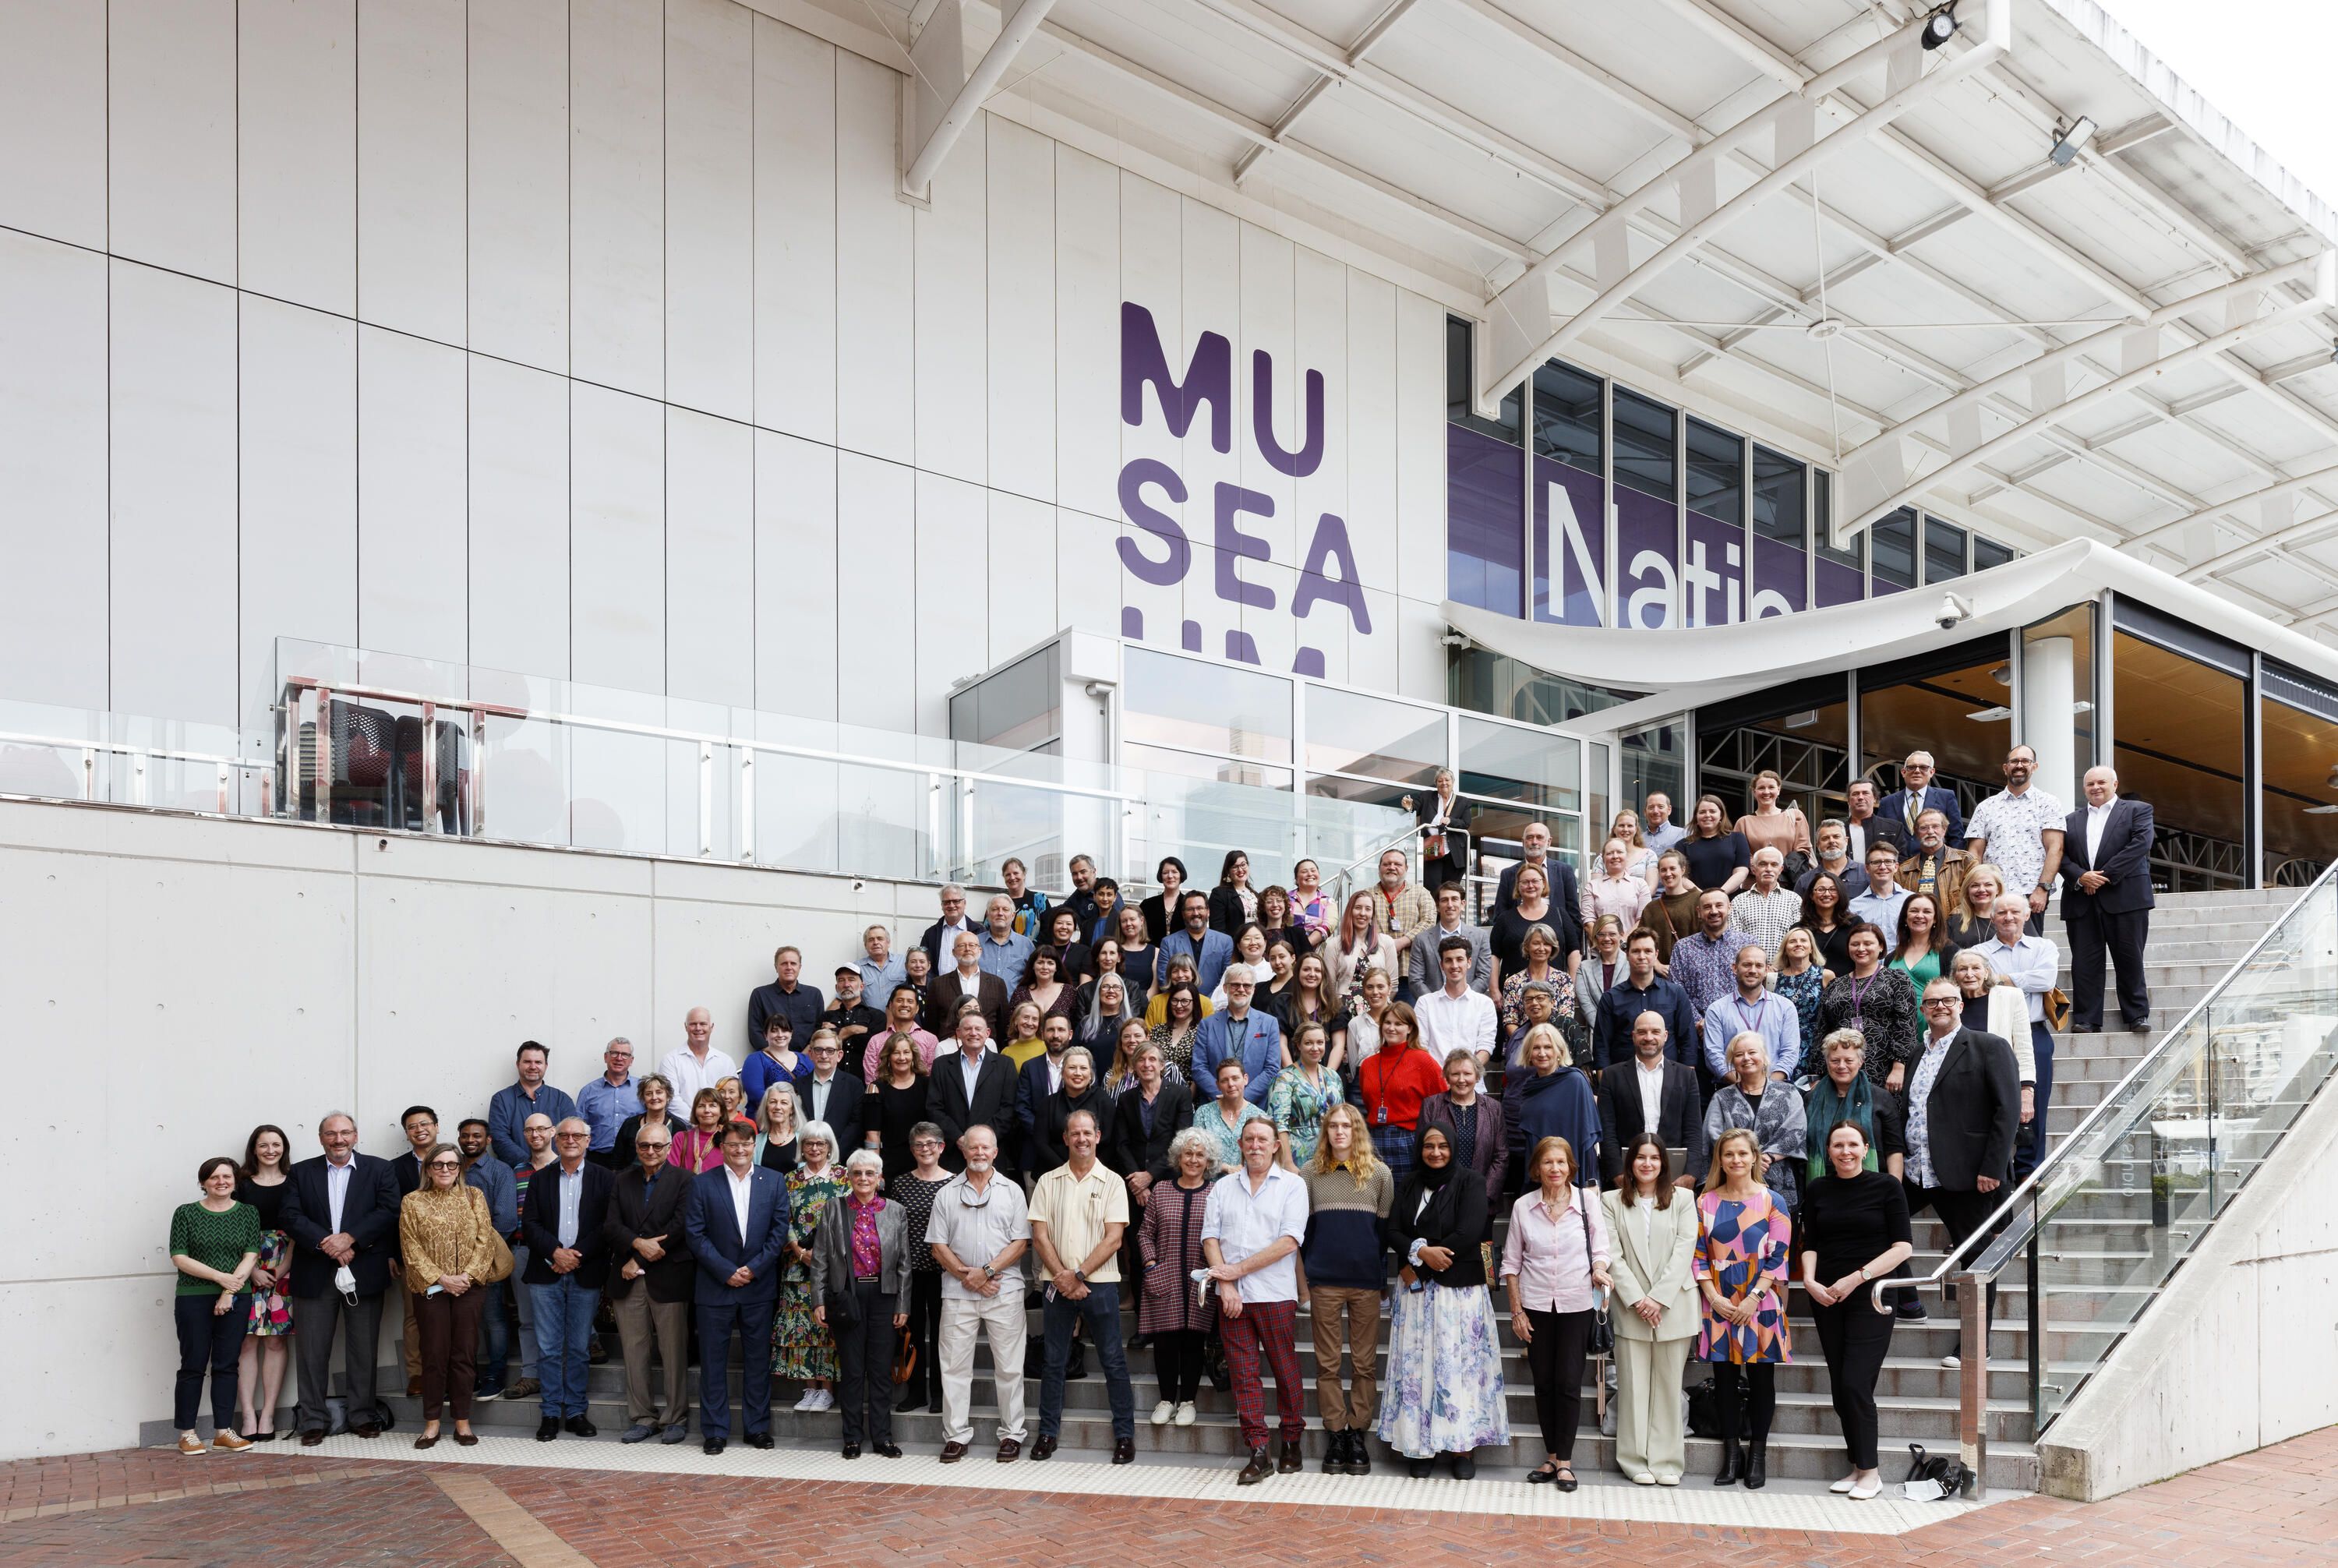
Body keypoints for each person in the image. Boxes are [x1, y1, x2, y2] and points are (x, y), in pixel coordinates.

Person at [1378, 1124, 1508, 1478]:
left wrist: (1427, 1260)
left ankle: (1462, 1448)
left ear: (1452, 1148)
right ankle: (1421, 1446)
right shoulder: (1409, 1183)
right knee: (1417, 1368)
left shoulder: (1471, 1181)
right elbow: (1392, 1230)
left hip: (1459, 1294)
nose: (1436, 1152)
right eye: (1429, 1146)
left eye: (1443, 1146)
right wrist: (1421, 1252)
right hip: (1417, 1297)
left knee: (1460, 1368)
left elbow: (1469, 1231)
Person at [1903, 978, 2021, 1368]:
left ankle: (1975, 1344)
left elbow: (2007, 1111)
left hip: (1968, 1174)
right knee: (1879, 1226)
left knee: (1975, 1256)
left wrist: (1993, 1169)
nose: (1940, 1006)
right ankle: (1905, 1300)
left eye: (1947, 1000)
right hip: (1917, 1171)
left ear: (1960, 1005)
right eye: (1931, 1002)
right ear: (1923, 1009)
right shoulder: (1916, 1054)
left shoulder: (1989, 1046)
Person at [1799, 1120, 1916, 1499]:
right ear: (1828, 1151)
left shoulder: (1887, 1187)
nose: (1845, 1151)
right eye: (1838, 1145)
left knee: (1855, 1382)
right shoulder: (1818, 1188)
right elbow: (1811, 1244)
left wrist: (1857, 1278)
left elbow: (1903, 1248)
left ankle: (1871, 1473)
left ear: (1866, 1149)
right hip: (1827, 1296)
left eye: (1853, 1144)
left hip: (1872, 1296)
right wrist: (1809, 1281)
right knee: (1840, 1386)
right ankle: (1857, 1466)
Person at [1202, 1118, 1310, 1485]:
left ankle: (1292, 1440)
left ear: (1276, 1145)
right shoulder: (1222, 1187)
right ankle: (1258, 1451)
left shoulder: (1293, 1185)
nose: (1255, 1145)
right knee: (1243, 1374)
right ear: (1240, 1144)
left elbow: (1289, 1242)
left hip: (1274, 1293)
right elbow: (1210, 1238)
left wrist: (1236, 1271)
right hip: (1232, 1298)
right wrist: (1227, 1284)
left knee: (1284, 1368)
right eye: (1249, 1139)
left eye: (1263, 1139)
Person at [1499, 1135, 1609, 1490]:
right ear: (1537, 1168)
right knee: (1544, 1383)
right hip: (1535, 1305)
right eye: (1548, 1162)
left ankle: (1565, 1462)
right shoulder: (1523, 1206)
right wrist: (1516, 1311)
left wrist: (1600, 1270)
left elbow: (1601, 1250)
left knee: (1568, 1383)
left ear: (1571, 1167)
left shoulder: (1587, 1201)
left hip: (1577, 1304)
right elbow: (1511, 1264)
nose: (1555, 1168)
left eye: (1561, 1162)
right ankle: (1550, 1457)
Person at [1028, 1109, 1137, 1464]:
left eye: (1087, 1133)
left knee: (1113, 1361)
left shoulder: (1113, 1182)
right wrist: (1063, 1276)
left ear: (1098, 1136)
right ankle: (1047, 1434)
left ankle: (1125, 1436)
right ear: (1065, 1138)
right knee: (1053, 1362)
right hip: (1056, 1285)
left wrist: (1077, 1275)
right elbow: (1040, 1236)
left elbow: (1114, 1239)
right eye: (1075, 1133)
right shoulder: (1048, 1181)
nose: (1081, 1139)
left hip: (1100, 1285)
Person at [282, 1112, 399, 1445]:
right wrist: (327, 1243)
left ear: (355, 1136)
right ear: (321, 1138)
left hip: (364, 1271)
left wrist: (350, 1239)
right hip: (314, 1272)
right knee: (311, 1352)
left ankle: (362, 1415)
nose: (339, 1140)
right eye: (331, 1134)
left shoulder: (379, 1169)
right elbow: (290, 1215)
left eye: (345, 1133)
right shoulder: (301, 1172)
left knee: (364, 1349)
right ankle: (313, 1420)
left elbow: (388, 1211)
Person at [1695, 1126, 1792, 1489]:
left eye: (1742, 1153)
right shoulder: (1704, 1202)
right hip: (1718, 1301)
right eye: (1728, 1154)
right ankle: (1732, 1455)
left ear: (1754, 1158)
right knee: (1724, 1381)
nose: (1736, 1159)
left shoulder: (1772, 1201)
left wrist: (1752, 1298)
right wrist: (1714, 1298)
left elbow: (1779, 1257)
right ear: (1720, 1160)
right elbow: (1698, 1256)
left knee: (1762, 1380)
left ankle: (1757, 1457)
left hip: (1761, 1302)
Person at [927, 1124, 1032, 1462]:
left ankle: (1012, 1434)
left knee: (1010, 1367)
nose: (979, 1153)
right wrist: (968, 1276)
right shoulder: (946, 1193)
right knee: (954, 1368)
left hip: (1004, 1290)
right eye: (973, 1147)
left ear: (996, 1152)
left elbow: (1021, 1242)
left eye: (986, 1147)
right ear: (963, 1151)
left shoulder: (1013, 1191)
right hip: (958, 1292)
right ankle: (956, 1435)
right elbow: (938, 1246)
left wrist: (985, 1272)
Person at [683, 1118, 788, 1453]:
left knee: (757, 1361)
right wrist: (726, 1271)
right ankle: (715, 1431)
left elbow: (778, 1232)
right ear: (722, 1147)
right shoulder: (702, 1183)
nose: (740, 1150)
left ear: (754, 1146)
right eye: (732, 1144)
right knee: (713, 1362)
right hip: (715, 1287)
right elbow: (695, 1234)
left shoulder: (774, 1181)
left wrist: (753, 1269)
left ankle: (757, 1428)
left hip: (758, 1287)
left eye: (745, 1144)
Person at [1602, 1135, 1701, 1485]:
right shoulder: (1610, 1201)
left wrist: (1657, 1299)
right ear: (1630, 1163)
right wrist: (1637, 1299)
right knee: (1632, 1387)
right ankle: (1634, 1460)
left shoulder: (1683, 1199)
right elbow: (1612, 1255)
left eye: (1654, 1158)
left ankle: (1667, 1461)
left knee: (1669, 1386)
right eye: (1640, 1157)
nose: (1647, 1164)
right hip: (1630, 1307)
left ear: (1664, 1163)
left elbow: (1685, 1250)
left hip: (1673, 1305)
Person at [1298, 1104, 1391, 1473]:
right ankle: (1336, 1432)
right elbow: (1304, 1231)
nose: (1340, 1132)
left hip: (1365, 1282)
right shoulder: (1310, 1173)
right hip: (1324, 1280)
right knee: (1328, 1363)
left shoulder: (1380, 1175)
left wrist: (1378, 1276)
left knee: (1365, 1363)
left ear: (1357, 1131)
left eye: (1347, 1126)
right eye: (1333, 1126)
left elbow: (1382, 1234)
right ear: (1326, 1132)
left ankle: (1357, 1431)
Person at [806, 1150, 911, 1460]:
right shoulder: (834, 1208)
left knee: (880, 1371)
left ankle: (882, 1437)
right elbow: (820, 1259)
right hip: (846, 1296)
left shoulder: (895, 1211)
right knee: (852, 1371)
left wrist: (902, 1302)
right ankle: (852, 1438)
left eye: (869, 1173)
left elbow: (904, 1263)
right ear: (849, 1177)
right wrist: (818, 1300)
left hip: (884, 1296)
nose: (863, 1179)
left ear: (880, 1178)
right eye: (857, 1173)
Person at [398, 1142, 499, 1449]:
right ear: (428, 1169)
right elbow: (410, 1248)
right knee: (433, 1355)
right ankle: (431, 1423)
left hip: (469, 1287)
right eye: (438, 1164)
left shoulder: (474, 1196)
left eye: (451, 1164)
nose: (445, 1169)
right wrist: (442, 1279)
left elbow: (485, 1240)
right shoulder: (413, 1201)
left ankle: (462, 1422)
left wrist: (466, 1277)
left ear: (459, 1169)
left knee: (464, 1354)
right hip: (432, 1289)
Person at [521, 1119, 613, 1441]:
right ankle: (549, 1412)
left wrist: (575, 1256)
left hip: (585, 1272)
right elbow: (530, 1224)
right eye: (564, 1135)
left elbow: (607, 1225)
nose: (570, 1140)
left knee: (578, 1348)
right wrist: (555, 1253)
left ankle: (575, 1412)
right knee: (548, 1348)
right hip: (545, 1273)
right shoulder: (540, 1178)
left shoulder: (605, 1178)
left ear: (588, 1140)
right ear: (555, 1140)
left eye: (577, 1135)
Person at [605, 1118, 694, 1445]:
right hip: (627, 1279)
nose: (651, 1151)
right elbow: (611, 1225)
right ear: (636, 1147)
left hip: (668, 1276)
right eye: (644, 1145)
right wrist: (637, 1244)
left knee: (673, 1351)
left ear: (669, 1148)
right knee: (634, 1351)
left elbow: (680, 1226)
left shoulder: (685, 1180)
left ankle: (675, 1418)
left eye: (658, 1145)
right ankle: (642, 1417)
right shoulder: (622, 1180)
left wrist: (638, 1258)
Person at [168, 1157, 260, 1455]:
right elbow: (179, 1257)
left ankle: (223, 1431)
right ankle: (187, 1433)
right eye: (214, 1177)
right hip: (193, 1296)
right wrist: (221, 1279)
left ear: (235, 1181)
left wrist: (228, 1292)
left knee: (227, 1364)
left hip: (236, 1297)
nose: (222, 1182)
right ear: (203, 1182)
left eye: (227, 1176)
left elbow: (250, 1256)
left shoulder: (248, 1213)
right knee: (193, 1364)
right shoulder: (186, 1213)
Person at [1973, 891, 2061, 1178]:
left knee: (2035, 1101)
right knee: (1989, 1100)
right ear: (1992, 917)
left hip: (2035, 1034)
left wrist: (2001, 978)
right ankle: (1997, 1165)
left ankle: (2029, 1168)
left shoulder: (2044, 946)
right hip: (1993, 1034)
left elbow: (2045, 980)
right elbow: (1980, 984)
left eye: (2014, 912)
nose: (2008, 917)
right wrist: (2022, 980)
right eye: (2001, 912)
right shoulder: (1978, 953)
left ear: (2027, 915)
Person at [2063, 766, 2155, 1034]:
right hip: (2081, 899)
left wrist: (2102, 877)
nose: (2095, 787)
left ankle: (2137, 1015)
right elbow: (2059, 854)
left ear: (2115, 784)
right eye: (2090, 784)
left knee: (2130, 958)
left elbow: (2140, 844)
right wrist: (2081, 877)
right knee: (2084, 962)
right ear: (2084, 789)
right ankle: (2087, 1019)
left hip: (2126, 897)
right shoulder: (2069, 820)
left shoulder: (2138, 810)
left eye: (2101, 782)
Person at [1137, 1129, 1217, 1428]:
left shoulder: (1216, 1193)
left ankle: (1188, 1402)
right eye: (1188, 1154)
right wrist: (1151, 1264)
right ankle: (1166, 1400)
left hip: (1201, 1281)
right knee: (1165, 1341)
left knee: (1194, 1340)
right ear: (1178, 1157)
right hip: (1164, 1277)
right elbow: (1145, 1233)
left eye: (1200, 1155)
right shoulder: (1161, 1190)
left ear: (1208, 1161)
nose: (1193, 1160)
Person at [775, 1122, 846, 1411]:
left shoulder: (843, 1177)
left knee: (825, 1326)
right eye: (809, 1143)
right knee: (801, 1328)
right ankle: (809, 1389)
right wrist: (798, 1250)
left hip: (833, 1266)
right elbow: (783, 1218)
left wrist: (824, 1254)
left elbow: (850, 1216)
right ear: (801, 1147)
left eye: (821, 1143)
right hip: (797, 1265)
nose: (815, 1148)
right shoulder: (790, 1179)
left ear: (830, 1147)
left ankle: (827, 1390)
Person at [231, 1126, 296, 1441]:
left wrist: (285, 1266)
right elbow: (231, 1226)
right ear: (254, 1149)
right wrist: (253, 1269)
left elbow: (300, 1227)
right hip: (246, 1264)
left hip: (285, 1265)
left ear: (284, 1148)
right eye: (263, 1145)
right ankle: (247, 1414)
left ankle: (268, 1414)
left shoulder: (295, 1181)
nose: (270, 1150)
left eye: (276, 1144)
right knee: (246, 1341)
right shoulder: (241, 1185)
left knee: (275, 1341)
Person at [1965, 743, 2068, 935]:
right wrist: (1978, 888)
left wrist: (2043, 889)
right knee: (1990, 948)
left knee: (2029, 948)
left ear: (2034, 766)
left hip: (2031, 894)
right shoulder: (1986, 807)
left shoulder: (2048, 803)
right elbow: (1975, 852)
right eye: (2014, 761)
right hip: (1992, 893)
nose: (2019, 765)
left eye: (2025, 761)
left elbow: (2055, 848)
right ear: (2006, 768)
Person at [1697, 1033, 1808, 1208]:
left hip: (1780, 1180)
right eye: (1739, 1054)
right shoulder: (1721, 1097)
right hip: (1734, 1180)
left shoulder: (1789, 1093)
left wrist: (1767, 1157)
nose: (1746, 1058)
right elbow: (1713, 1136)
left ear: (1764, 1057)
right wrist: (1745, 1158)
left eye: (1752, 1052)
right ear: (1733, 1062)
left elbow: (1796, 1132)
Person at [454, 1119, 521, 1403]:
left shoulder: (500, 1171)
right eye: (465, 1135)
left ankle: (495, 1374)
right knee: (460, 1322)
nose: (471, 1139)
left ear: (489, 1140)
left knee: (493, 1318)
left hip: (486, 1259)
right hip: (450, 1263)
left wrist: (477, 1254)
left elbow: (505, 1219)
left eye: (477, 1135)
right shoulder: (450, 1167)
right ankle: (467, 1377)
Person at [888, 1125, 953, 1415]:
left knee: (943, 1333)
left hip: (945, 1271)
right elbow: (893, 1228)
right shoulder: (901, 1184)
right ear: (912, 1149)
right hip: (910, 1271)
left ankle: (940, 1393)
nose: (925, 1149)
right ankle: (915, 1392)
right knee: (911, 1333)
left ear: (941, 1147)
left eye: (930, 1143)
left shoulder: (955, 1183)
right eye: (918, 1144)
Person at [1595, 1012, 1701, 1185]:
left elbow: (1694, 1130)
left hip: (1674, 1177)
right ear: (1633, 1036)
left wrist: (1690, 1174)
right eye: (1642, 1032)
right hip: (1626, 1177)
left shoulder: (1686, 1076)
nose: (1649, 1037)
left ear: (1665, 1036)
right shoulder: (1612, 1076)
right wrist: (1617, 1174)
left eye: (1655, 1032)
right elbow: (1607, 1131)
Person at [1951, 951, 2038, 1153]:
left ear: (1987, 972)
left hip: (1998, 1086)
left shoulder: (2011, 997)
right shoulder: (1949, 1001)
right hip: (1958, 1089)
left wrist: (2026, 1091)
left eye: (1976, 968)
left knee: (1999, 1149)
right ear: (1954, 975)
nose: (1969, 974)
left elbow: (2024, 1047)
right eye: (1962, 969)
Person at [1817, 923, 1919, 1090]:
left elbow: (1906, 1025)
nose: (1861, 949)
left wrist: (1899, 1067)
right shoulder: (1835, 985)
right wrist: (1817, 1073)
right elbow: (1822, 1030)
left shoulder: (1897, 980)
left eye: (1868, 943)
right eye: (1855, 944)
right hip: (1840, 1067)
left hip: (1883, 1067)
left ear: (1881, 946)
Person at [1503, 1024, 1601, 1195]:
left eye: (1548, 1047)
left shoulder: (1575, 1081)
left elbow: (1587, 1138)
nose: (1542, 1053)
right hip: (1539, 1175)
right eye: (1536, 1048)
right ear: (1529, 1053)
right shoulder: (1529, 1087)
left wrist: (1589, 1182)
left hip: (1571, 1177)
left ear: (1559, 1051)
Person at [1354, 1001, 1443, 1184]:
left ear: (1410, 1028)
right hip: (1374, 1139)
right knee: (1376, 1196)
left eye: (1399, 1024)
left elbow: (1441, 1103)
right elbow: (1369, 1103)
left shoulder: (1423, 1061)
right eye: (1387, 1023)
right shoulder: (1368, 1065)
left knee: (1406, 1195)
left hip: (1408, 1141)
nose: (1391, 1028)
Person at [1591, 929, 1696, 1073]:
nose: (1642, 956)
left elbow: (1688, 1042)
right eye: (1636, 951)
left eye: (1648, 951)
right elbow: (1601, 1047)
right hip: (1624, 1079)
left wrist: (1686, 1081)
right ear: (1627, 955)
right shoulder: (1611, 998)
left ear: (1656, 954)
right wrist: (1606, 1084)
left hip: (1669, 1079)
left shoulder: (1676, 994)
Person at [1418, 1049, 1505, 1221]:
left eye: (1467, 1073)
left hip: (1483, 1200)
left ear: (1477, 1076)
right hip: (1441, 1199)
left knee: (1481, 1240)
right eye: (1455, 1074)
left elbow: (1501, 1155)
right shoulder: (1431, 1105)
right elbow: (1423, 1151)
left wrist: (1483, 1194)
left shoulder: (1494, 1108)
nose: (1461, 1079)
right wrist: (1442, 1193)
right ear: (1447, 1077)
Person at [931, 1011, 1019, 1174]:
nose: (973, 1033)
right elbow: (934, 1107)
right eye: (967, 1029)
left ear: (987, 1033)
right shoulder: (941, 1065)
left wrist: (982, 1141)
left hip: (991, 1152)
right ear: (959, 1033)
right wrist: (958, 1138)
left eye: (978, 1029)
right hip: (953, 1153)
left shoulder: (1005, 1065)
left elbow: (1009, 1108)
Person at [1700, 943, 1801, 1082]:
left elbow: (1790, 1052)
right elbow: (1714, 1054)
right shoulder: (1716, 1010)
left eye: (1759, 966)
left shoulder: (1785, 1007)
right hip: (1731, 1088)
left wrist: (1767, 1087)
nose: (1753, 970)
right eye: (1747, 965)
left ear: (1766, 970)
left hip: (1775, 1087)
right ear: (1735, 968)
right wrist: (1744, 1086)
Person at [1192, 966, 1283, 1106]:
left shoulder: (1269, 1023)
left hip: (1255, 1106)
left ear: (1253, 990)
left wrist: (1243, 1098)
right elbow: (1199, 1067)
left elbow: (1272, 1068)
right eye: (1235, 985)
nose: (1241, 989)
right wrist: (1221, 1096)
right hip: (1215, 1104)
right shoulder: (1207, 1024)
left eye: (1247, 985)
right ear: (1225, 988)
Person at [1114, 1040, 1195, 1193]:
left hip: (1169, 1179)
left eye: (1152, 1059)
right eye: (1141, 1060)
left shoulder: (1180, 1094)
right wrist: (1137, 1182)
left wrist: (1150, 1175)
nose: (1146, 1064)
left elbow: (1181, 1141)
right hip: (1134, 1183)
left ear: (1162, 1065)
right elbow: (1121, 1144)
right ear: (1135, 1066)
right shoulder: (1126, 1099)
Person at [1667, 890, 1740, 1054]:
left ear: (1729, 908)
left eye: (1719, 905)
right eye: (1707, 907)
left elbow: (1754, 986)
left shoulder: (1747, 944)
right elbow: (1676, 990)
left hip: (1740, 1035)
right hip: (1696, 1037)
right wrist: (1699, 1022)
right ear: (1699, 912)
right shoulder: (1683, 948)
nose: (1714, 911)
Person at [1265, 1020, 1345, 1169]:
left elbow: (1343, 1117)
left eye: (1320, 1042)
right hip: (1298, 1156)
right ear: (1298, 1045)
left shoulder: (1333, 1076)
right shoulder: (1285, 1078)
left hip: (1332, 1153)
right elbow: (1278, 1124)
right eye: (1308, 1043)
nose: (1315, 1048)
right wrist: (1288, 1163)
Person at [488, 1042, 580, 1167]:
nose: (533, 1066)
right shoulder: (501, 1100)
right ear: (518, 1064)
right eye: (527, 1062)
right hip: (516, 1173)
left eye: (538, 1062)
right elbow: (499, 1139)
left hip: (557, 1172)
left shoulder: (562, 1099)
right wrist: (530, 1165)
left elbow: (572, 1136)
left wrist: (551, 1165)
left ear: (546, 1066)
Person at [1027, 1046, 1112, 1178]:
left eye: (1083, 1068)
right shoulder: (1048, 1104)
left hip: (1093, 1176)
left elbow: (1109, 1143)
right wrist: (1067, 1172)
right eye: (1072, 1068)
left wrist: (1087, 1171)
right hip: (1053, 1175)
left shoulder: (1104, 1101)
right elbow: (1041, 1143)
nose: (1078, 1073)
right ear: (1062, 1073)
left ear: (1091, 1074)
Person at [1416, 935, 1499, 1065]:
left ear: (1469, 962)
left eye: (1460, 960)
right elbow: (1420, 1046)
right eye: (1448, 960)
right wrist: (1440, 1075)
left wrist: (1464, 1073)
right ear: (1442, 965)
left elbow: (1485, 1047)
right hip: (1434, 1076)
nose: (1454, 966)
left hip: (1471, 1076)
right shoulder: (1425, 1003)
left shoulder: (1485, 1004)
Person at [1488, 861, 1565, 991]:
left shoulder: (1560, 915)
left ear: (1544, 884)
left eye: (1535, 881)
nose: (1530, 886)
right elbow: (1494, 955)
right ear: (1518, 886)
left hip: (1556, 991)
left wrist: (1571, 986)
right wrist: (1494, 989)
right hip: (1513, 991)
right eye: (1525, 882)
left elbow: (1574, 951)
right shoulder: (1505, 919)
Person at [1194, 1057, 1275, 1175]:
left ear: (1245, 1079)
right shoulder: (1204, 1113)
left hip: (1249, 1180)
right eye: (1224, 1080)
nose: (1231, 1084)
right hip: (1210, 1182)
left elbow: (1266, 1154)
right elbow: (1196, 1151)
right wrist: (1225, 1168)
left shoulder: (1260, 1116)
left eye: (1235, 1078)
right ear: (1218, 1085)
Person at [868, 1032, 931, 1183]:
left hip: (923, 1161)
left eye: (906, 1052)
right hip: (889, 1164)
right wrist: (875, 1169)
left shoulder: (927, 1085)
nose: (902, 1058)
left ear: (913, 1056)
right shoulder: (876, 1088)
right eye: (896, 1053)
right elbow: (872, 1135)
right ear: (888, 1057)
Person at [1372, 847, 1440, 983]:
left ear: (1406, 868)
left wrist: (1401, 942)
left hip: (1410, 971)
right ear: (1379, 868)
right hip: (1374, 969)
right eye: (1387, 864)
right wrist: (1384, 945)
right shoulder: (1366, 895)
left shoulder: (1421, 892)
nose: (1392, 867)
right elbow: (1358, 924)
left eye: (1397, 864)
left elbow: (1429, 921)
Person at [795, 1029, 866, 1157]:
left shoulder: (854, 1085)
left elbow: (856, 1124)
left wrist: (833, 1152)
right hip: (804, 1158)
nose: (824, 1056)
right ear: (810, 1054)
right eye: (818, 1050)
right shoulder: (797, 1086)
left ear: (839, 1055)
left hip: (841, 1157)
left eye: (830, 1050)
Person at [1277, 951, 1351, 1072]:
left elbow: (1338, 1045)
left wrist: (1327, 1076)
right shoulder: (1282, 1004)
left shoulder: (1334, 1006)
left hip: (1328, 1071)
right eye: (1306, 969)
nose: (1312, 974)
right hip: (1293, 1072)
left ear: (1323, 975)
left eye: (1317, 970)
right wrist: (1294, 1075)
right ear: (1297, 972)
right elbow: (1281, 1044)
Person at [1878, 748, 1966, 850]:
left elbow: (1957, 836)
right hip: (1896, 859)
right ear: (1903, 772)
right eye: (1911, 767)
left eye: (1923, 767)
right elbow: (1880, 836)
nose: (1917, 771)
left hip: (1935, 859)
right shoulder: (1887, 802)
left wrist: (1951, 859)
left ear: (1932, 772)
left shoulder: (1946, 797)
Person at [577, 1038, 645, 1169]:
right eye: (614, 1053)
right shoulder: (588, 1091)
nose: (619, 1058)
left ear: (631, 1060)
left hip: (634, 1160)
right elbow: (578, 1129)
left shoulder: (643, 1089)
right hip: (598, 1160)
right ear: (606, 1057)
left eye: (625, 1055)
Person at [927, 930, 1010, 1038]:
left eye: (972, 945)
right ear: (954, 952)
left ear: (980, 950)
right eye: (962, 946)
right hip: (950, 1046)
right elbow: (931, 1026)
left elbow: (1003, 1024)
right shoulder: (938, 984)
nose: (967, 949)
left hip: (987, 1045)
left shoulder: (997, 984)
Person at [1404, 767, 1473, 893]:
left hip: (1455, 852)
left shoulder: (1464, 802)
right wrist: (1408, 805)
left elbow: (1466, 823)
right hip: (1432, 849)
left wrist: (1451, 820)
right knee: (1432, 887)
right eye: (1440, 781)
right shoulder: (1427, 796)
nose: (1444, 783)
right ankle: (1433, 907)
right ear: (1436, 784)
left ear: (1453, 782)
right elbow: (1415, 807)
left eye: (1447, 780)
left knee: (1450, 889)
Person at [659, 1006, 739, 1115]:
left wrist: (715, 1120)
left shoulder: (726, 1061)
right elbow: (672, 1099)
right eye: (693, 1024)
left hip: (720, 1124)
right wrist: (698, 1120)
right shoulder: (670, 1060)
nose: (698, 1028)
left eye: (703, 1024)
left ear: (711, 1027)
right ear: (686, 1027)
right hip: (682, 1124)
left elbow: (732, 1098)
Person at [1327, 888, 1399, 1008]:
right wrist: (1339, 1012)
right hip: (1343, 1011)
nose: (1363, 913)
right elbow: (1329, 985)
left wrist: (1379, 1010)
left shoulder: (1386, 942)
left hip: (1377, 1011)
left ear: (1372, 915)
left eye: (1368, 909)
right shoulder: (1334, 944)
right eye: (1358, 908)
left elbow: (1393, 984)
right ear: (1350, 911)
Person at [747, 945, 825, 1054]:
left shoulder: (814, 994)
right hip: (771, 1059)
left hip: (808, 1058)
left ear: (800, 967)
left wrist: (803, 1057)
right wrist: (778, 1058)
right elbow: (755, 1032)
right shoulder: (760, 995)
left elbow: (819, 1030)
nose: (789, 967)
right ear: (776, 967)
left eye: (793, 963)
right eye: (784, 963)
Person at [1157, 889, 1236, 996]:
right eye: (1190, 909)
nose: (1195, 913)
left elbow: (1226, 977)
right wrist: (1183, 1000)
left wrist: (1207, 1003)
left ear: (1208, 911)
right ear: (1183, 914)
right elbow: (1164, 978)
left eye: (1200, 908)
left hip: (1214, 1003)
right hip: (1178, 1002)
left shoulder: (1225, 941)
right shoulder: (1168, 943)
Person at [1728, 847, 1800, 962]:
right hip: (1750, 970)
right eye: (1763, 864)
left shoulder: (1794, 900)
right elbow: (1734, 941)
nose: (1768, 869)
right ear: (1753, 869)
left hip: (1784, 969)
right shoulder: (1739, 901)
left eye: (1774, 865)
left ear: (1781, 869)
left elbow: (1797, 939)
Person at [1895, 808, 1972, 916]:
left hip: (1955, 925)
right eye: (1924, 828)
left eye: (1935, 826)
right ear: (1916, 833)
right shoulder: (1903, 871)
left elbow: (1973, 900)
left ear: (1944, 830)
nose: (1930, 832)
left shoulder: (1966, 861)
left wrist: (1952, 922)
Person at [1733, 770, 1813, 867]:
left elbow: (1803, 850)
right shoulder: (1744, 822)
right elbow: (1741, 856)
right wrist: (1765, 869)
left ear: (1778, 790)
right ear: (1754, 792)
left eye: (1771, 787)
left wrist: (1781, 869)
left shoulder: (1795, 816)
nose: (1766, 792)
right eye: (1761, 788)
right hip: (1757, 875)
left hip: (1791, 874)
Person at [1772, 927, 1828, 1067]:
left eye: (1803, 940)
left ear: (1811, 948)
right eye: (1793, 941)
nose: (1798, 944)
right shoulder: (1773, 978)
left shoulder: (1825, 975)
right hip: (1783, 1044)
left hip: (1816, 1044)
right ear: (1785, 949)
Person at [1680, 795, 1752, 897]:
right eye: (1702, 812)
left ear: (1721, 816)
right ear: (1696, 817)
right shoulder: (1683, 845)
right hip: (1695, 901)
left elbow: (1741, 871)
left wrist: (1720, 894)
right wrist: (1703, 896)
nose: (1707, 815)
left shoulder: (1737, 839)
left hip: (1731, 900)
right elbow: (1681, 877)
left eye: (1712, 811)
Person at [1571, 914, 1629, 1040]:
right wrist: (1603, 1028)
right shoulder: (1584, 968)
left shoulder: (1632, 964)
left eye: (1612, 934)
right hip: (1597, 1035)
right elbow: (1586, 1005)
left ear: (1621, 935)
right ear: (1595, 937)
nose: (1606, 939)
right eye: (1601, 934)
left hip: (1627, 1033)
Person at [1846, 842, 1912, 950]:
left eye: (1888, 862)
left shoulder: (1911, 901)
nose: (1882, 867)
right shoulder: (1853, 907)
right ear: (1867, 868)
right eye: (1876, 862)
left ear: (1896, 867)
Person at [1890, 891, 1956, 996]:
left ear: (1935, 919)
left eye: (1927, 912)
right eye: (1914, 911)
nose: (1919, 916)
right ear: (1905, 917)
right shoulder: (1891, 957)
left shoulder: (1950, 951)